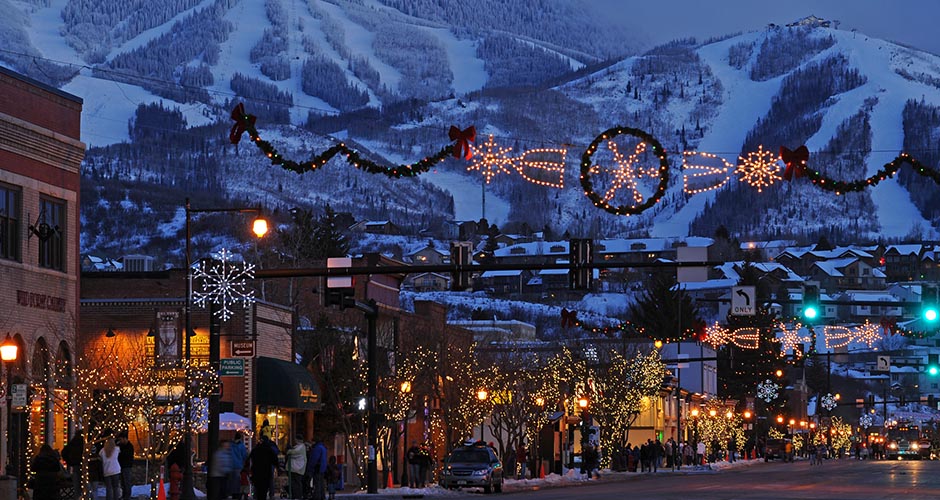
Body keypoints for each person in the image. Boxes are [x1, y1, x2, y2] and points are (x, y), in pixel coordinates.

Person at [247, 435, 279, 500]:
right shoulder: (269, 449)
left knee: (257, 487)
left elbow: (249, 458)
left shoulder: (256, 449)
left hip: (256, 472)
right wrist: (278, 467)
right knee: (264, 490)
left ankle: (256, 496)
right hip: (266, 472)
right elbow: (275, 460)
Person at [285, 435, 307, 500]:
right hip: (296, 468)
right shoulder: (299, 447)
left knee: (296, 483)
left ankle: (297, 496)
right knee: (295, 483)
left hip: (297, 468)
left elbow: (293, 453)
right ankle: (295, 496)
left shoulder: (300, 447)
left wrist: (288, 450)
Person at [62, 432, 84, 496]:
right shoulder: (83, 443)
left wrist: (69, 462)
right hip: (82, 465)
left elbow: (64, 452)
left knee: (77, 485)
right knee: (84, 486)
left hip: (75, 465)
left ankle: (78, 497)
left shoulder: (73, 443)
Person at [100, 436, 122, 500]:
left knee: (109, 488)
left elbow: (100, 457)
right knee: (116, 487)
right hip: (116, 470)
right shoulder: (116, 449)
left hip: (106, 471)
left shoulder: (102, 451)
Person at [229, 433, 248, 499]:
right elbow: (244, 455)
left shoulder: (231, 445)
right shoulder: (241, 446)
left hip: (231, 465)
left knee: (232, 481)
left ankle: (233, 494)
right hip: (239, 465)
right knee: (238, 481)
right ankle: (237, 494)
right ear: (240, 438)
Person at [117, 431, 135, 500]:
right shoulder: (120, 446)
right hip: (121, 466)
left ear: (125, 438)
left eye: (121, 439)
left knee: (127, 482)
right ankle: (124, 495)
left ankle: (127, 496)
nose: (120, 441)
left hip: (127, 466)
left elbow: (126, 455)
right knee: (123, 483)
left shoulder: (129, 446)